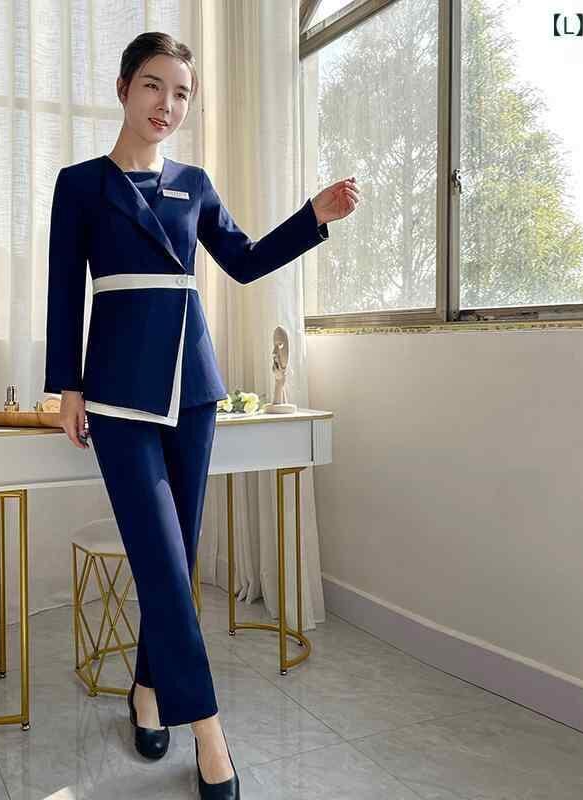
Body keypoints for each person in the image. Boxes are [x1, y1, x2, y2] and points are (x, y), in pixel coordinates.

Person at [45, 31, 360, 800]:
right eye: (154, 86)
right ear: (124, 88)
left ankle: (148, 692)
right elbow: (62, 290)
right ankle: (210, 731)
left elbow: (243, 261)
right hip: (118, 393)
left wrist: (311, 216)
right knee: (159, 557)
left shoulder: (196, 183)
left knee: (175, 561)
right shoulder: (80, 185)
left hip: (193, 391)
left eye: (182, 93)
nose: (168, 104)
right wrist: (66, 387)